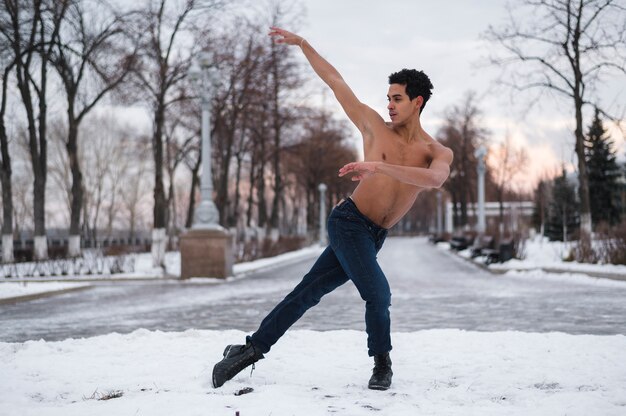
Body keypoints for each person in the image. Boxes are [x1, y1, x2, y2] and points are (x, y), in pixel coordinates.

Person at [212, 27, 453, 391]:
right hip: (349, 222)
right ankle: (382, 364)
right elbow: (335, 81)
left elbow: (434, 180)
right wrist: (304, 45)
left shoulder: (437, 151)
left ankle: (249, 350)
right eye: (388, 97)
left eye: (398, 98)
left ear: (417, 102)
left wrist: (380, 167)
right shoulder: (373, 127)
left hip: (375, 235)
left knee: (307, 292)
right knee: (379, 293)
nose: (389, 104)